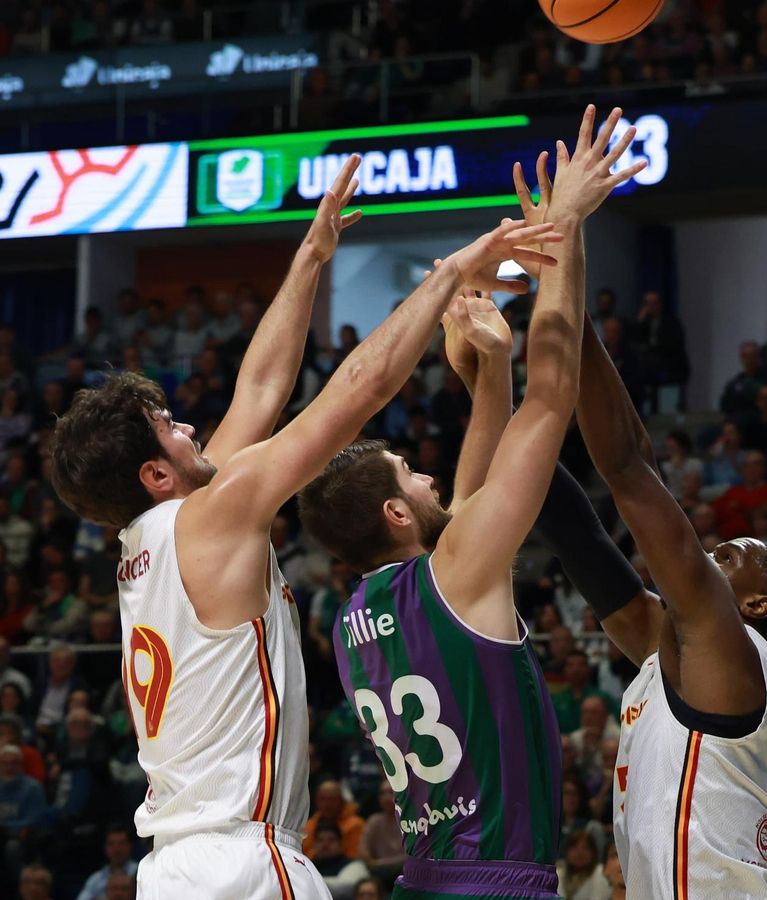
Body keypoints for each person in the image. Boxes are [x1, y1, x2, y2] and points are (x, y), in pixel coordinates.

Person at [47, 151, 558, 898]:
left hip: (176, 868)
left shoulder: (156, 537)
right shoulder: (209, 519)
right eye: (170, 428)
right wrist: (453, 269)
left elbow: (259, 387)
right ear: (155, 476)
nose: (191, 426)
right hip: (240, 862)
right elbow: (360, 387)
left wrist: (312, 255)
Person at [295, 109, 639, 899]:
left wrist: (487, 369)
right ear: (393, 515)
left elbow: (471, 501)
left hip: (424, 877)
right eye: (409, 473)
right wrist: (565, 235)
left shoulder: (354, 618)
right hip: (497, 879)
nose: (427, 478)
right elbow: (553, 400)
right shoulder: (453, 571)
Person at [563, 140, 767, 900]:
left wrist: (566, 269)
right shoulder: (670, 651)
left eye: (733, 557)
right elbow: (578, 534)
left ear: (756, 606)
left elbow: (628, 467)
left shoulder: (731, 650)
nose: (712, 553)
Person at [76, 824, 137, 900]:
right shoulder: (96, 879)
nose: (116, 849)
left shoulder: (142, 872)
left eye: (121, 843)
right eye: (111, 844)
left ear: (130, 846)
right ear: (105, 847)